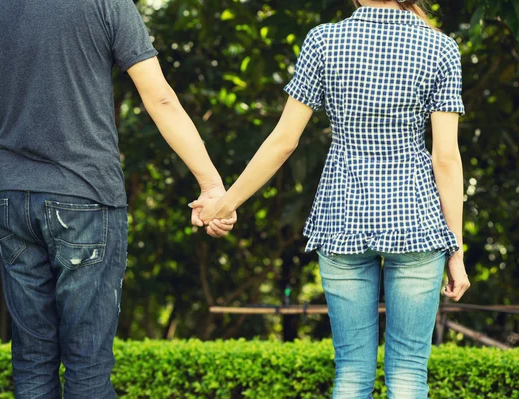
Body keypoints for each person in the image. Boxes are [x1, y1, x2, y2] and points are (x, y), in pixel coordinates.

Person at [191, 0, 471, 397]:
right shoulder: (440, 48)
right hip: (417, 223)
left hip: (343, 218)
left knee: (352, 373)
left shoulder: (324, 41)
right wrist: (455, 252)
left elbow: (284, 142)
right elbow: (445, 158)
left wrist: (226, 202)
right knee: (409, 372)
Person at [0, 0, 235, 397]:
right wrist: (211, 186)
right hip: (86, 197)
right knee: (87, 365)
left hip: (13, 200)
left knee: (32, 363)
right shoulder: (107, 3)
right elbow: (160, 98)